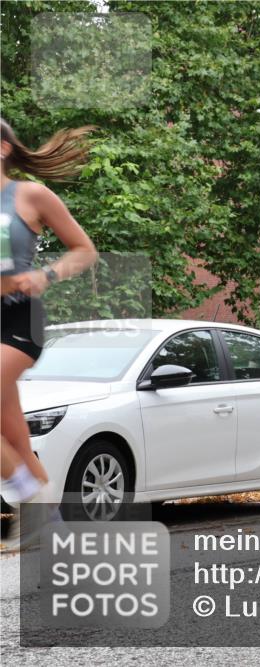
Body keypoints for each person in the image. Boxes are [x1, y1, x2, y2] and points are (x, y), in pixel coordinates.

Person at [1, 118, 98, 519]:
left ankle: (22, 492)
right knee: (17, 443)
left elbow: (83, 249)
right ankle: (53, 534)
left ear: (2, 148)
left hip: (18, 321)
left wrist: (47, 274)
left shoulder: (29, 195)